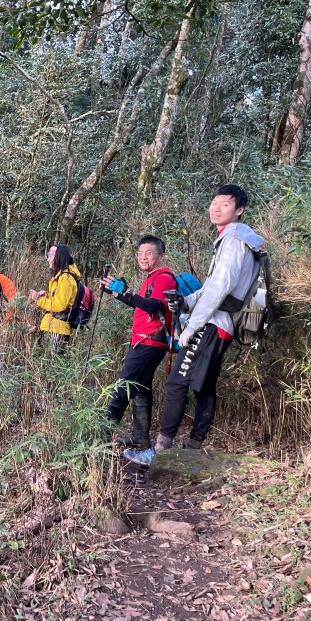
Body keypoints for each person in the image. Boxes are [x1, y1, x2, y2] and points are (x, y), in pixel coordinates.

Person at [125, 184, 265, 466]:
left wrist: (191, 328)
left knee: (176, 384)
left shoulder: (233, 239)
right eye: (214, 202)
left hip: (212, 324)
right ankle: (192, 449)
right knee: (204, 387)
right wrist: (186, 302)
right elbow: (212, 286)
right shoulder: (236, 239)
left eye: (225, 204)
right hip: (222, 323)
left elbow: (221, 287)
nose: (216, 208)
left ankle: (160, 453)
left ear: (239, 210)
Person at [99, 235, 176, 449]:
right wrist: (118, 293)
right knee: (141, 387)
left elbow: (154, 306)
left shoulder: (164, 277)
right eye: (140, 253)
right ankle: (141, 437)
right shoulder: (151, 277)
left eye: (149, 253)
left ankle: (100, 434)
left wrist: (126, 292)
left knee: (122, 386)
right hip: (143, 340)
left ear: (161, 256)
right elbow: (141, 306)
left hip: (150, 342)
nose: (143, 257)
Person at [28, 244, 79, 353]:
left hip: (57, 329)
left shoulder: (65, 278)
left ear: (59, 257)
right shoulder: (62, 277)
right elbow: (59, 299)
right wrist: (46, 295)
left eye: (51, 255)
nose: (48, 259)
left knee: (52, 360)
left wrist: (38, 299)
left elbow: (59, 305)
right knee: (48, 359)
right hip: (54, 327)